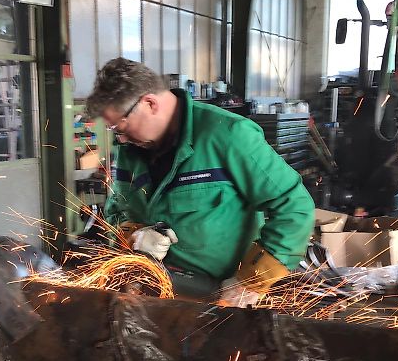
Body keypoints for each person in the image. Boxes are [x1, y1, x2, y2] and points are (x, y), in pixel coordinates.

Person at [85, 58, 315, 304]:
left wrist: (251, 283)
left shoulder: (229, 135)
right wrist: (134, 234)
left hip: (222, 301)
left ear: (150, 103)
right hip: (158, 297)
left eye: (121, 127)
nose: (120, 140)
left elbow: (295, 206)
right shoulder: (131, 151)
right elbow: (116, 211)